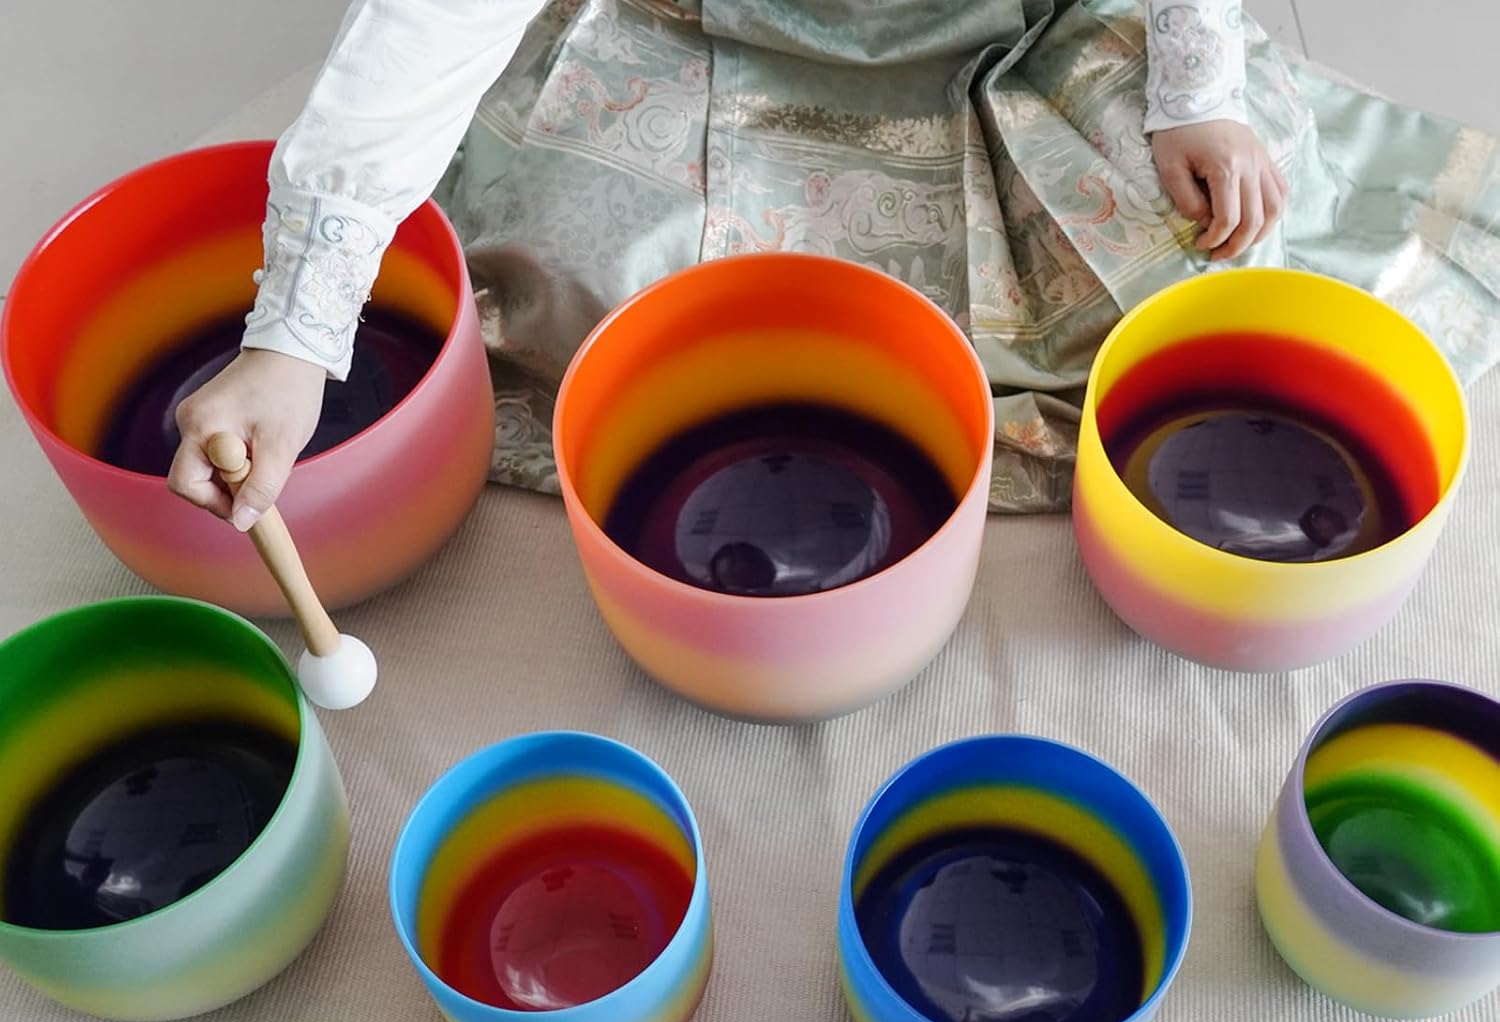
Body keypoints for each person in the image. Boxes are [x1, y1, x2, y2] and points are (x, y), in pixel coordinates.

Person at [169, 0, 1500, 525]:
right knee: (574, 281)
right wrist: (294, 334)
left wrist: (1192, 88)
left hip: (1009, 33)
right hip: (697, 38)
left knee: (1201, 260)